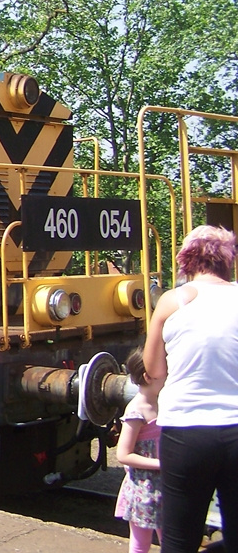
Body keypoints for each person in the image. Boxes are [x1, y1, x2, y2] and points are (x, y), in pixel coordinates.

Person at [144, 225, 238, 553]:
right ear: (228, 261)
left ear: (188, 260)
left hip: (187, 431)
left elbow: (153, 371)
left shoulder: (173, 301)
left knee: (180, 540)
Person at [115, 346, 164, 553]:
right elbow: (123, 454)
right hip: (143, 488)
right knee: (140, 544)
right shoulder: (136, 411)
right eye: (166, 371)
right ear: (148, 376)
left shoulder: (163, 403)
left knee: (171, 539)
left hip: (164, 486)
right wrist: (160, 464)